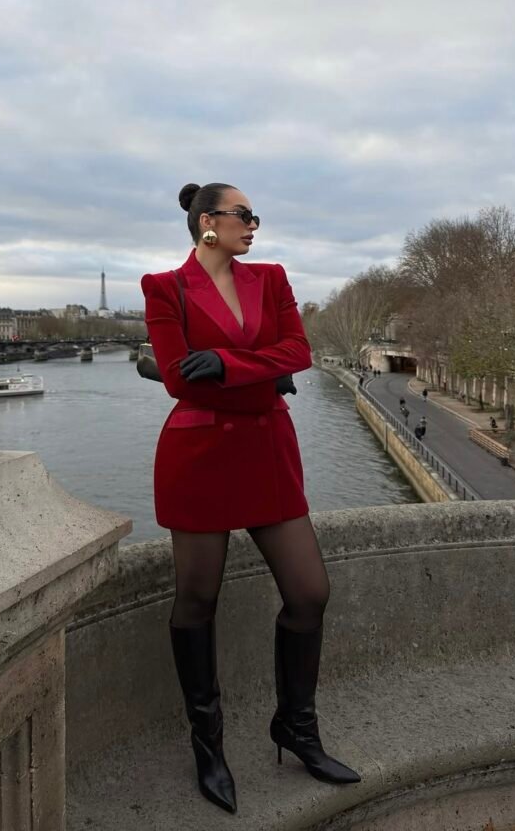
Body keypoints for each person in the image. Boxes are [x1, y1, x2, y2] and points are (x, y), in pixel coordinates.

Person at [141, 182, 360, 814]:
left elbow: (300, 352)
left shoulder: (271, 277)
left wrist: (229, 363)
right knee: (196, 599)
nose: (253, 225)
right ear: (207, 222)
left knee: (309, 591)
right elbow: (180, 376)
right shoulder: (164, 287)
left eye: (254, 216)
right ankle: (208, 746)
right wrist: (261, 369)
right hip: (200, 454)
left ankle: (296, 726)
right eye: (244, 215)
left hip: (266, 450)